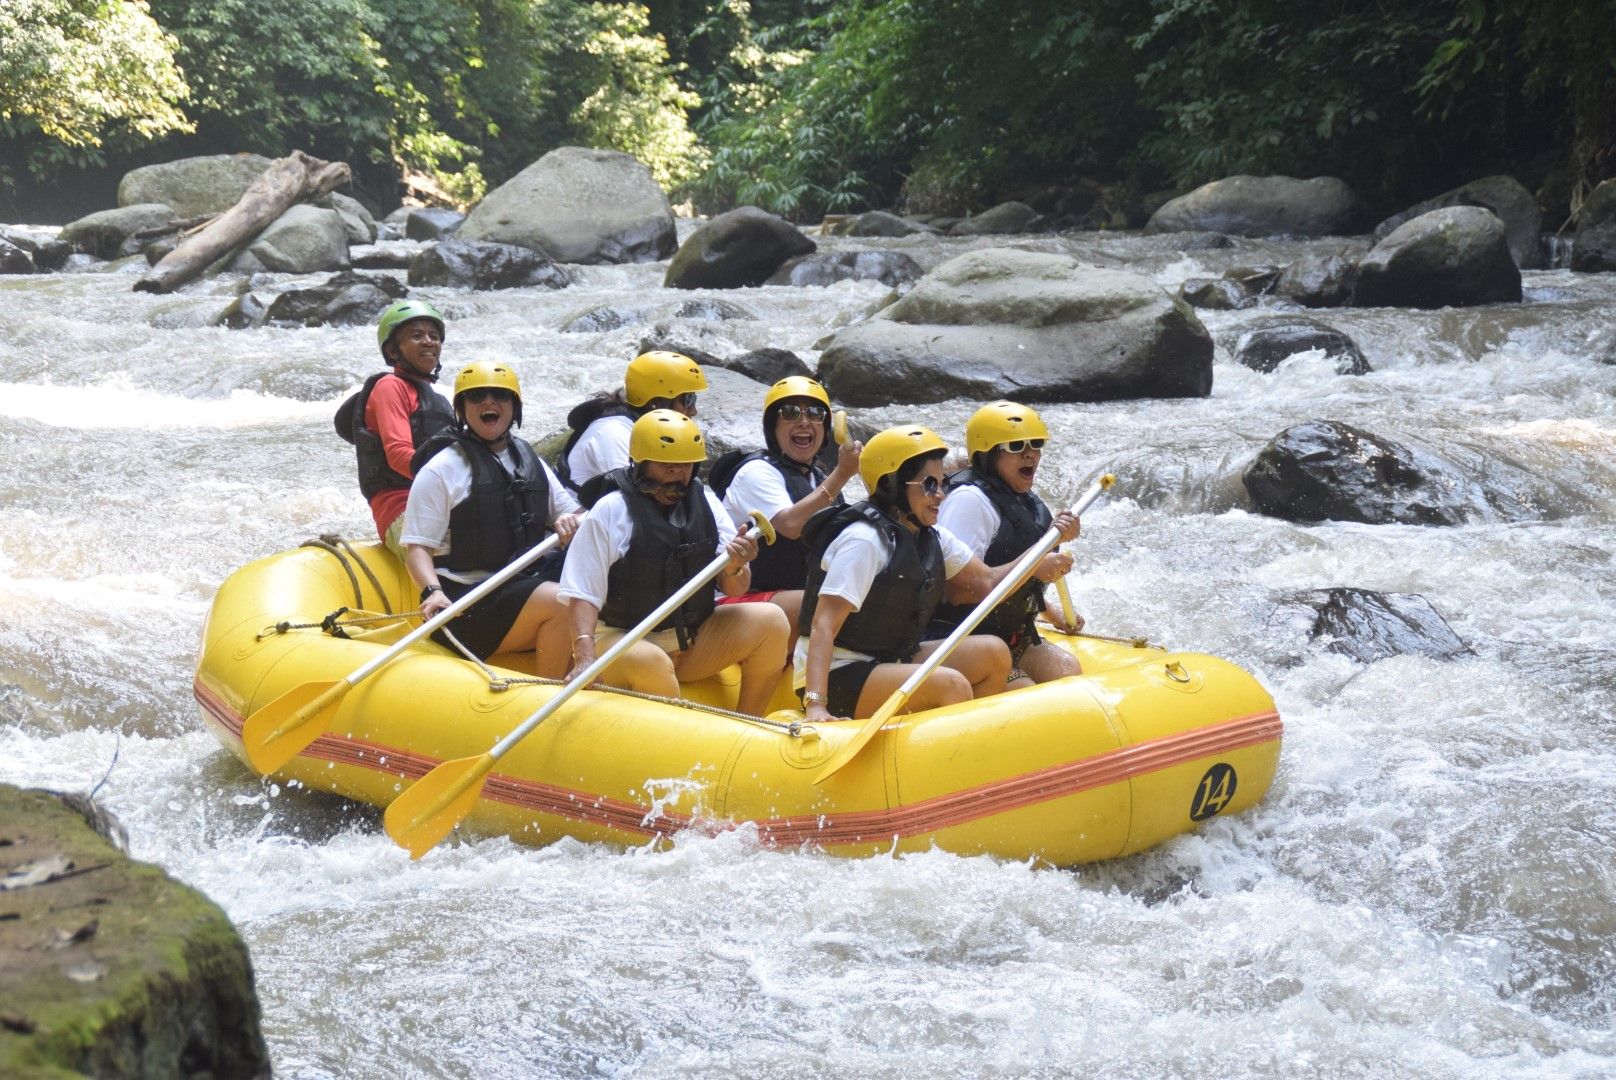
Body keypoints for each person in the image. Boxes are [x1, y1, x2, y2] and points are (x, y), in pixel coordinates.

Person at [795, 425, 1078, 724]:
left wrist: (1040, 553)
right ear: (892, 485)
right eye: (929, 485)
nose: (941, 495)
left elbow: (987, 582)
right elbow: (823, 624)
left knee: (994, 653)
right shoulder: (864, 541)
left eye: (942, 483)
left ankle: (972, 735)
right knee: (951, 684)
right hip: (839, 673)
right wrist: (816, 705)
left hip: (893, 657)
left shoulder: (932, 537)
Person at [558, 410, 791, 717]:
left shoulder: (706, 504)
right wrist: (585, 656)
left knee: (772, 621)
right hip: (620, 641)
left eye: (685, 465)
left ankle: (748, 724)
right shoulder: (611, 510)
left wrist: (736, 565)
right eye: (666, 466)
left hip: (689, 641)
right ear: (642, 463)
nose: (676, 475)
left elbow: (735, 587)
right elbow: (582, 594)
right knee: (651, 661)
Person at [400, 361, 582, 677]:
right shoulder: (441, 470)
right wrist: (432, 591)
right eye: (476, 397)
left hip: (520, 586)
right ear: (461, 409)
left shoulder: (529, 459)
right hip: (463, 605)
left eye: (500, 395)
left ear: (514, 406)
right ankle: (550, 691)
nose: (488, 402)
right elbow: (417, 549)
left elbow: (572, 513)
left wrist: (568, 521)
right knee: (563, 599)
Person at [932, 401, 1083, 688]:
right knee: (1024, 691)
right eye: (1015, 446)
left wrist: (1052, 613)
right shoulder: (969, 502)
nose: (1030, 454)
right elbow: (957, 591)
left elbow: (1018, 580)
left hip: (1008, 635)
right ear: (988, 454)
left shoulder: (1022, 500)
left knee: (1067, 671)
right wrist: (1034, 565)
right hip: (962, 638)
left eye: (1036, 444)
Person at [716, 376, 862, 628]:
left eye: (815, 413)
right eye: (790, 413)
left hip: (790, 596)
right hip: (739, 600)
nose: (804, 422)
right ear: (772, 428)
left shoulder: (819, 479)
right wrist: (843, 474)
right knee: (823, 603)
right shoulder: (756, 473)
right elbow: (790, 525)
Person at [335, 300, 456, 558]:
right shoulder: (390, 387)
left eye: (434, 336)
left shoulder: (442, 402)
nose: (429, 342)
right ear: (393, 350)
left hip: (442, 504)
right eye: (416, 336)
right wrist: (454, 480)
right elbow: (399, 455)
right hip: (401, 508)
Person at [558, 350, 707, 490]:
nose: (693, 411)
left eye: (693, 398)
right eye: (687, 400)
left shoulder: (646, 429)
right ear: (655, 402)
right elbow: (635, 494)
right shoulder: (613, 432)